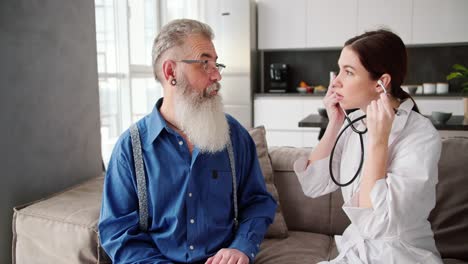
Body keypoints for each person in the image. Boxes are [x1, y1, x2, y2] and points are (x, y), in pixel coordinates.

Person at [99, 19, 277, 264]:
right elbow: (118, 232)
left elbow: (258, 203)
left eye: (217, 64)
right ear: (170, 72)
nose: (216, 75)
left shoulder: (235, 136)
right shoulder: (129, 149)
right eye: (205, 63)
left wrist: (241, 247)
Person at [294, 29, 443, 264]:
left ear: (381, 83)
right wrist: (335, 121)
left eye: (349, 72)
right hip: (357, 249)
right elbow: (314, 184)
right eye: (339, 69)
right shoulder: (355, 122)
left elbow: (377, 224)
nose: (335, 82)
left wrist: (379, 141)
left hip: (401, 255)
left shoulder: (421, 135)